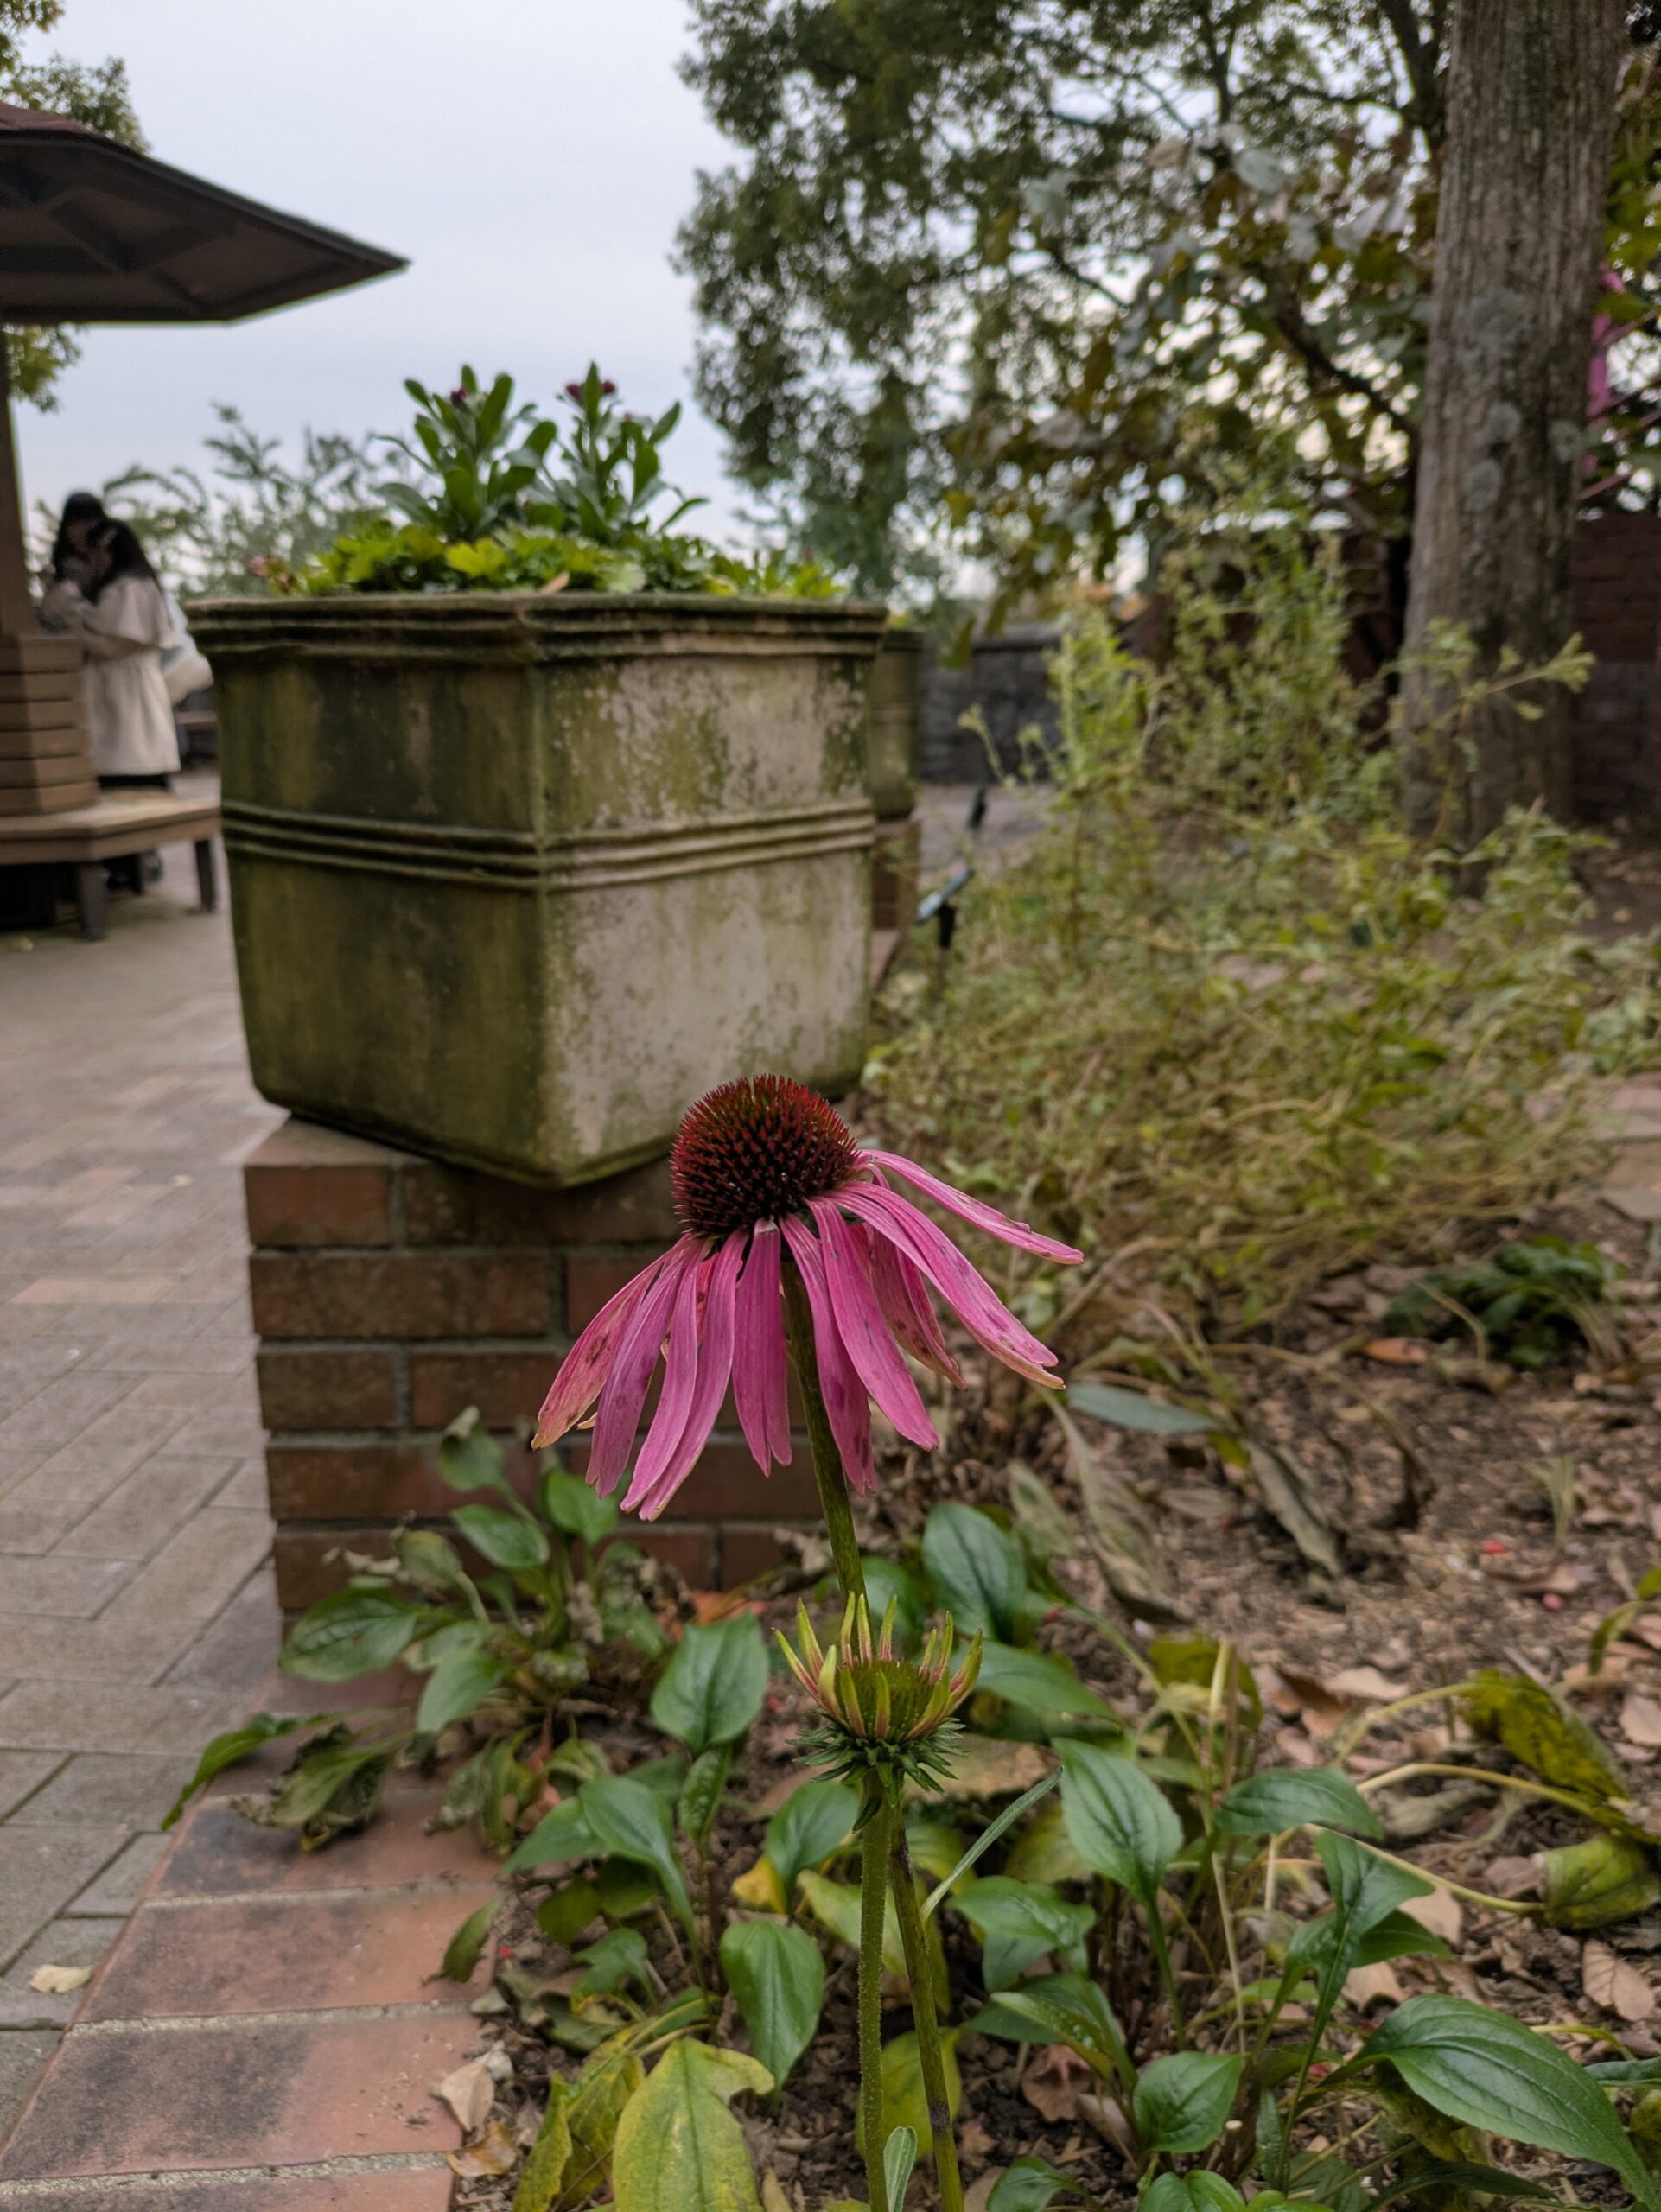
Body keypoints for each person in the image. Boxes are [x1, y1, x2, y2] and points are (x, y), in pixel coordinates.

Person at [59, 517, 181, 787]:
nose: (93, 561)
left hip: (130, 694)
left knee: (136, 766)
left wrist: (70, 612)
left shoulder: (133, 588)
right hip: (113, 694)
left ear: (109, 550)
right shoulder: (118, 588)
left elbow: (113, 645)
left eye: (95, 553)